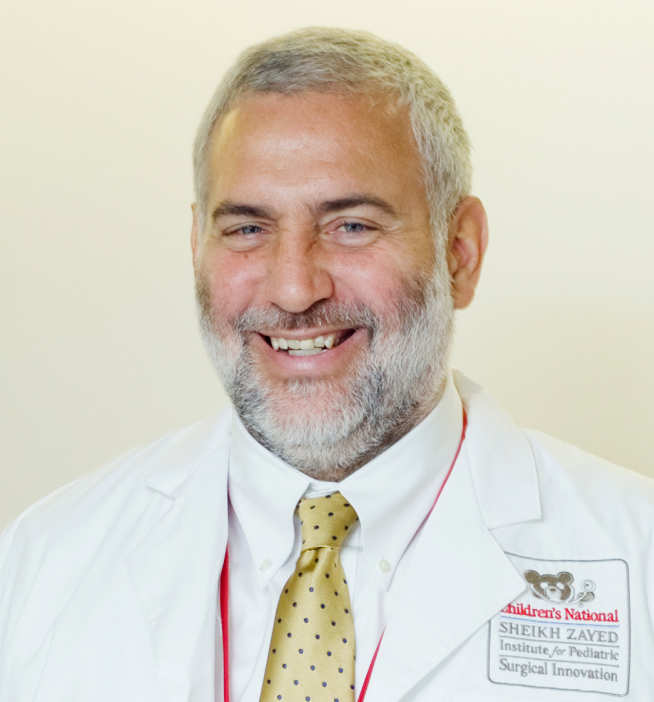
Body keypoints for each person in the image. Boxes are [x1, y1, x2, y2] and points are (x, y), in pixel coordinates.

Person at [0, 26, 652, 702]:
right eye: (248, 229)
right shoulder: (44, 560)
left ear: (460, 252)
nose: (293, 289)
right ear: (197, 246)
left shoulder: (638, 554)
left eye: (352, 226)